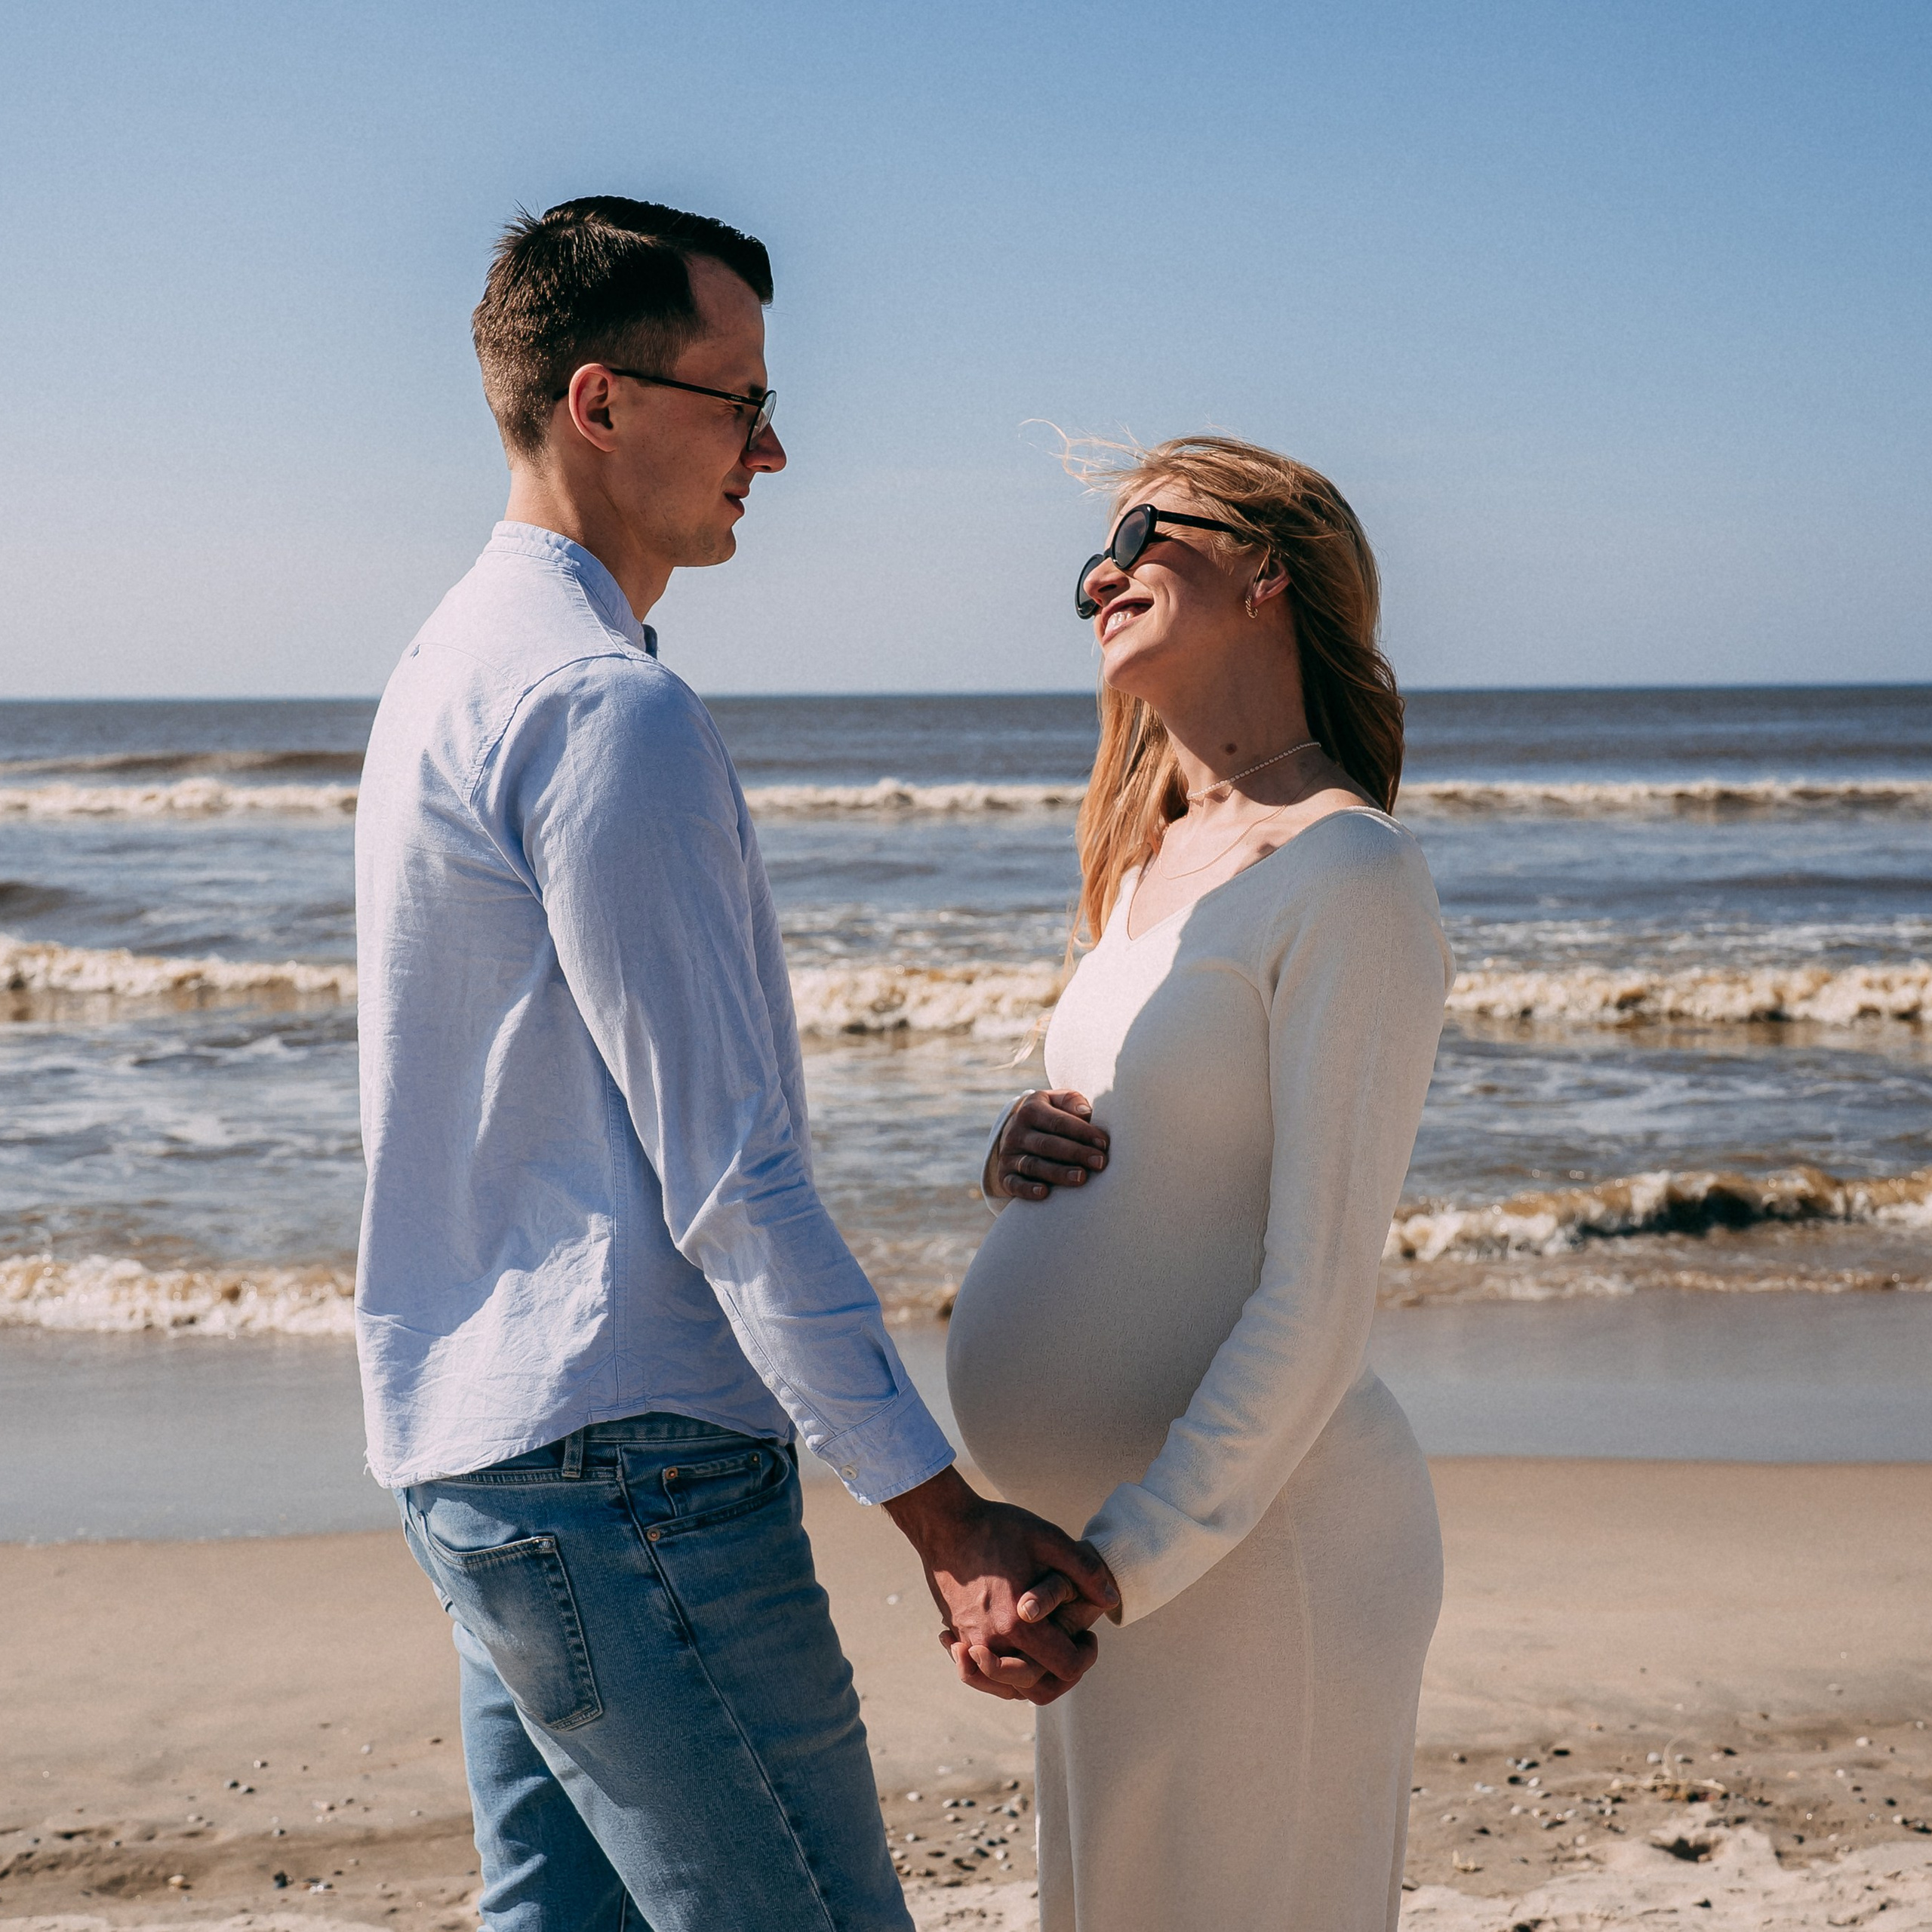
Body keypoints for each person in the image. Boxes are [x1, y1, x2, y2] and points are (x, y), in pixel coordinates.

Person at [353, 196, 1116, 1932]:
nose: (771, 449)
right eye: (739, 400)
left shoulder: (445, 665)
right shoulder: (598, 707)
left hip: (482, 1459)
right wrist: (944, 1519)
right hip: (628, 1479)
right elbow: (728, 1179)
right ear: (600, 402)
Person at [945, 435, 1451, 1931]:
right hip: (1098, 1540)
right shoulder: (1142, 867)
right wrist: (1017, 1154)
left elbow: (1318, 1285)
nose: (1099, 572)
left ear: (1263, 565)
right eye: (1087, 559)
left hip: (1246, 1547)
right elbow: (1176, 1174)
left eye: (1140, 536)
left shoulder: (1346, 875)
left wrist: (1131, 1553)